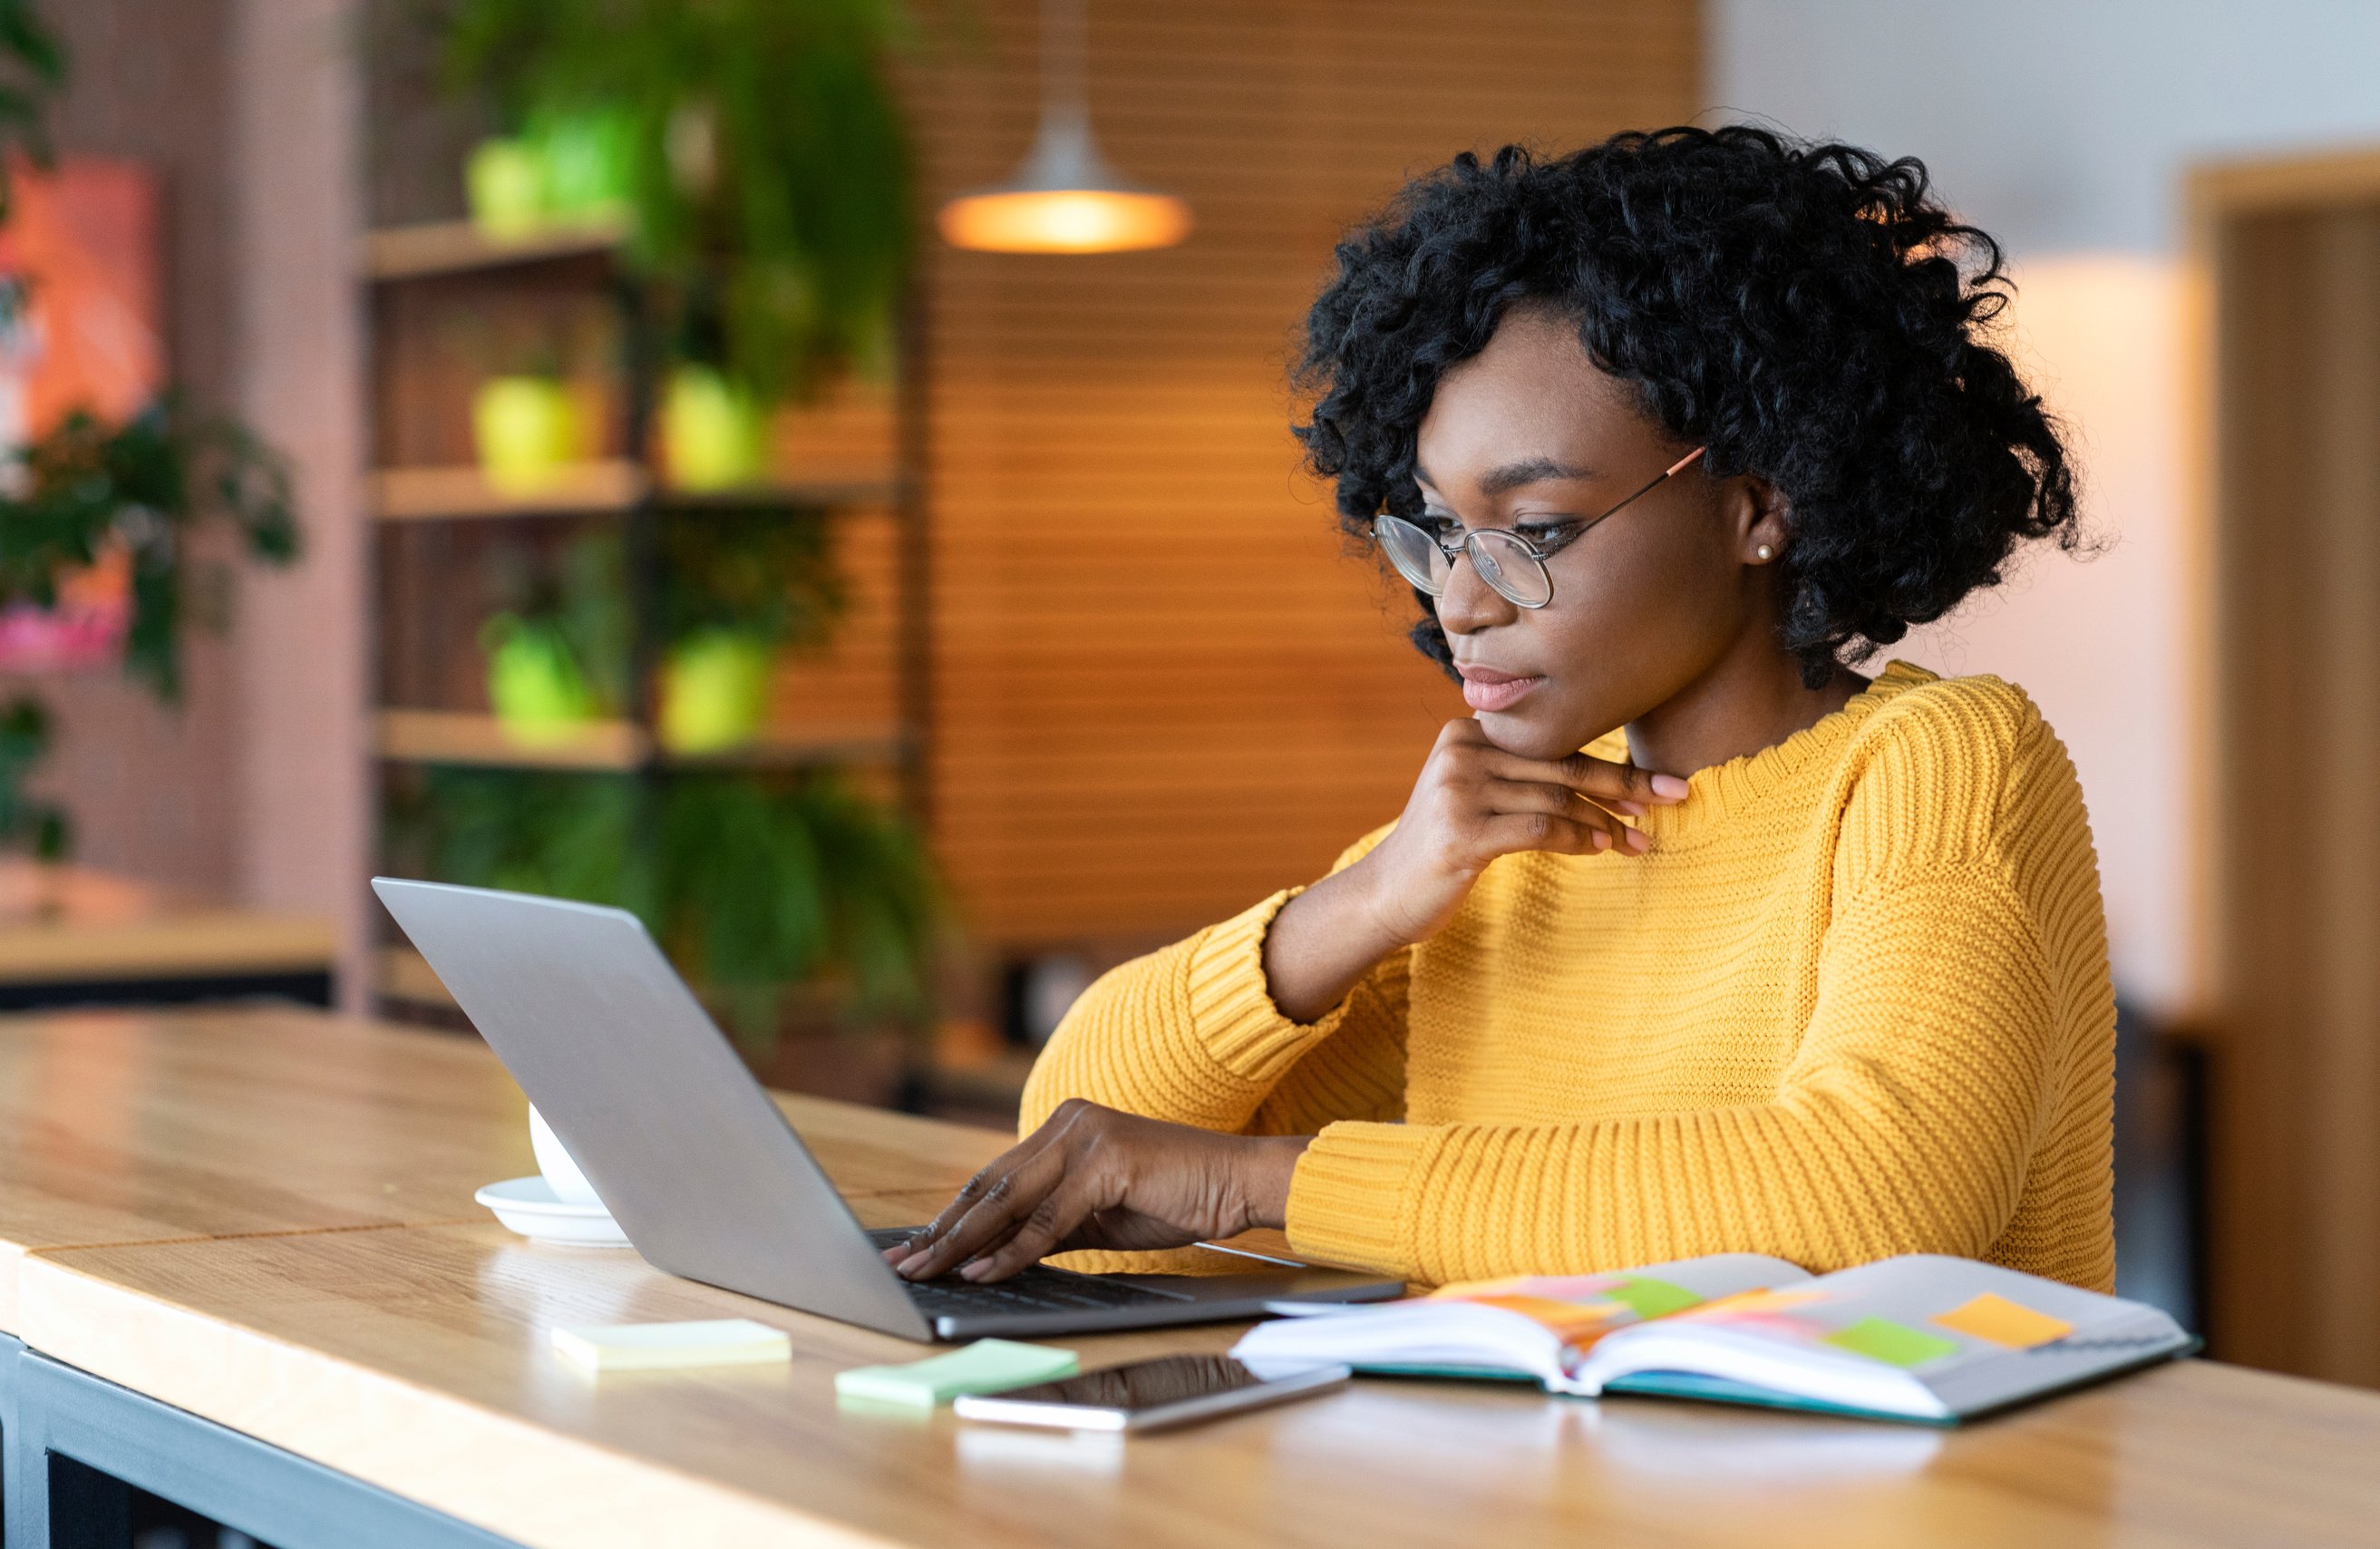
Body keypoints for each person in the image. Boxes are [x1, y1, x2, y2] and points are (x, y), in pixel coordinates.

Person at [889, 125, 2115, 1294]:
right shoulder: (1504, 837)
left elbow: (1877, 1192)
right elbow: (1083, 1164)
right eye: (1435, 529)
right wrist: (1360, 903)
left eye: (1532, 531)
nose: (1462, 599)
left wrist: (1262, 1184)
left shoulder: (1937, 763)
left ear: (1758, 504)